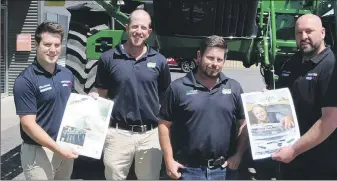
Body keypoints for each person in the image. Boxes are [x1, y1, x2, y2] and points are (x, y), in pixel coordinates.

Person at [90, 9, 171, 180]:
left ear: (149, 32)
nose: (138, 31)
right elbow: (102, 95)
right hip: (117, 133)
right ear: (127, 28)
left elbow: (165, 99)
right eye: (135, 26)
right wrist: (94, 100)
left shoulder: (159, 61)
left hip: (150, 135)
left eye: (143, 28)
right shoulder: (108, 59)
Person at [270, 14, 337, 179]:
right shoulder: (291, 64)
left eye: (309, 31)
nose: (303, 37)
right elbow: (281, 100)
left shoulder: (334, 68)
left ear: (322, 33)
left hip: (321, 166)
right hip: (291, 162)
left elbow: (330, 120)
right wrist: (268, 99)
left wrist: (294, 150)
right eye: (299, 33)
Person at [158, 35, 248, 180]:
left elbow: (244, 124)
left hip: (224, 170)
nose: (215, 64)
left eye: (219, 60)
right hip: (188, 170)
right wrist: (169, 160)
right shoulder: (178, 88)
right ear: (199, 56)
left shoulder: (234, 87)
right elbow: (164, 125)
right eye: (210, 58)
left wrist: (238, 155)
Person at [13, 21, 79, 180]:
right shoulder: (25, 80)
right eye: (47, 44)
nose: (53, 50)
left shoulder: (66, 74)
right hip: (39, 151)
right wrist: (57, 149)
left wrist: (91, 100)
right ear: (37, 45)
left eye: (57, 45)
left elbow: (75, 104)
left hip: (65, 145)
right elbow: (28, 125)